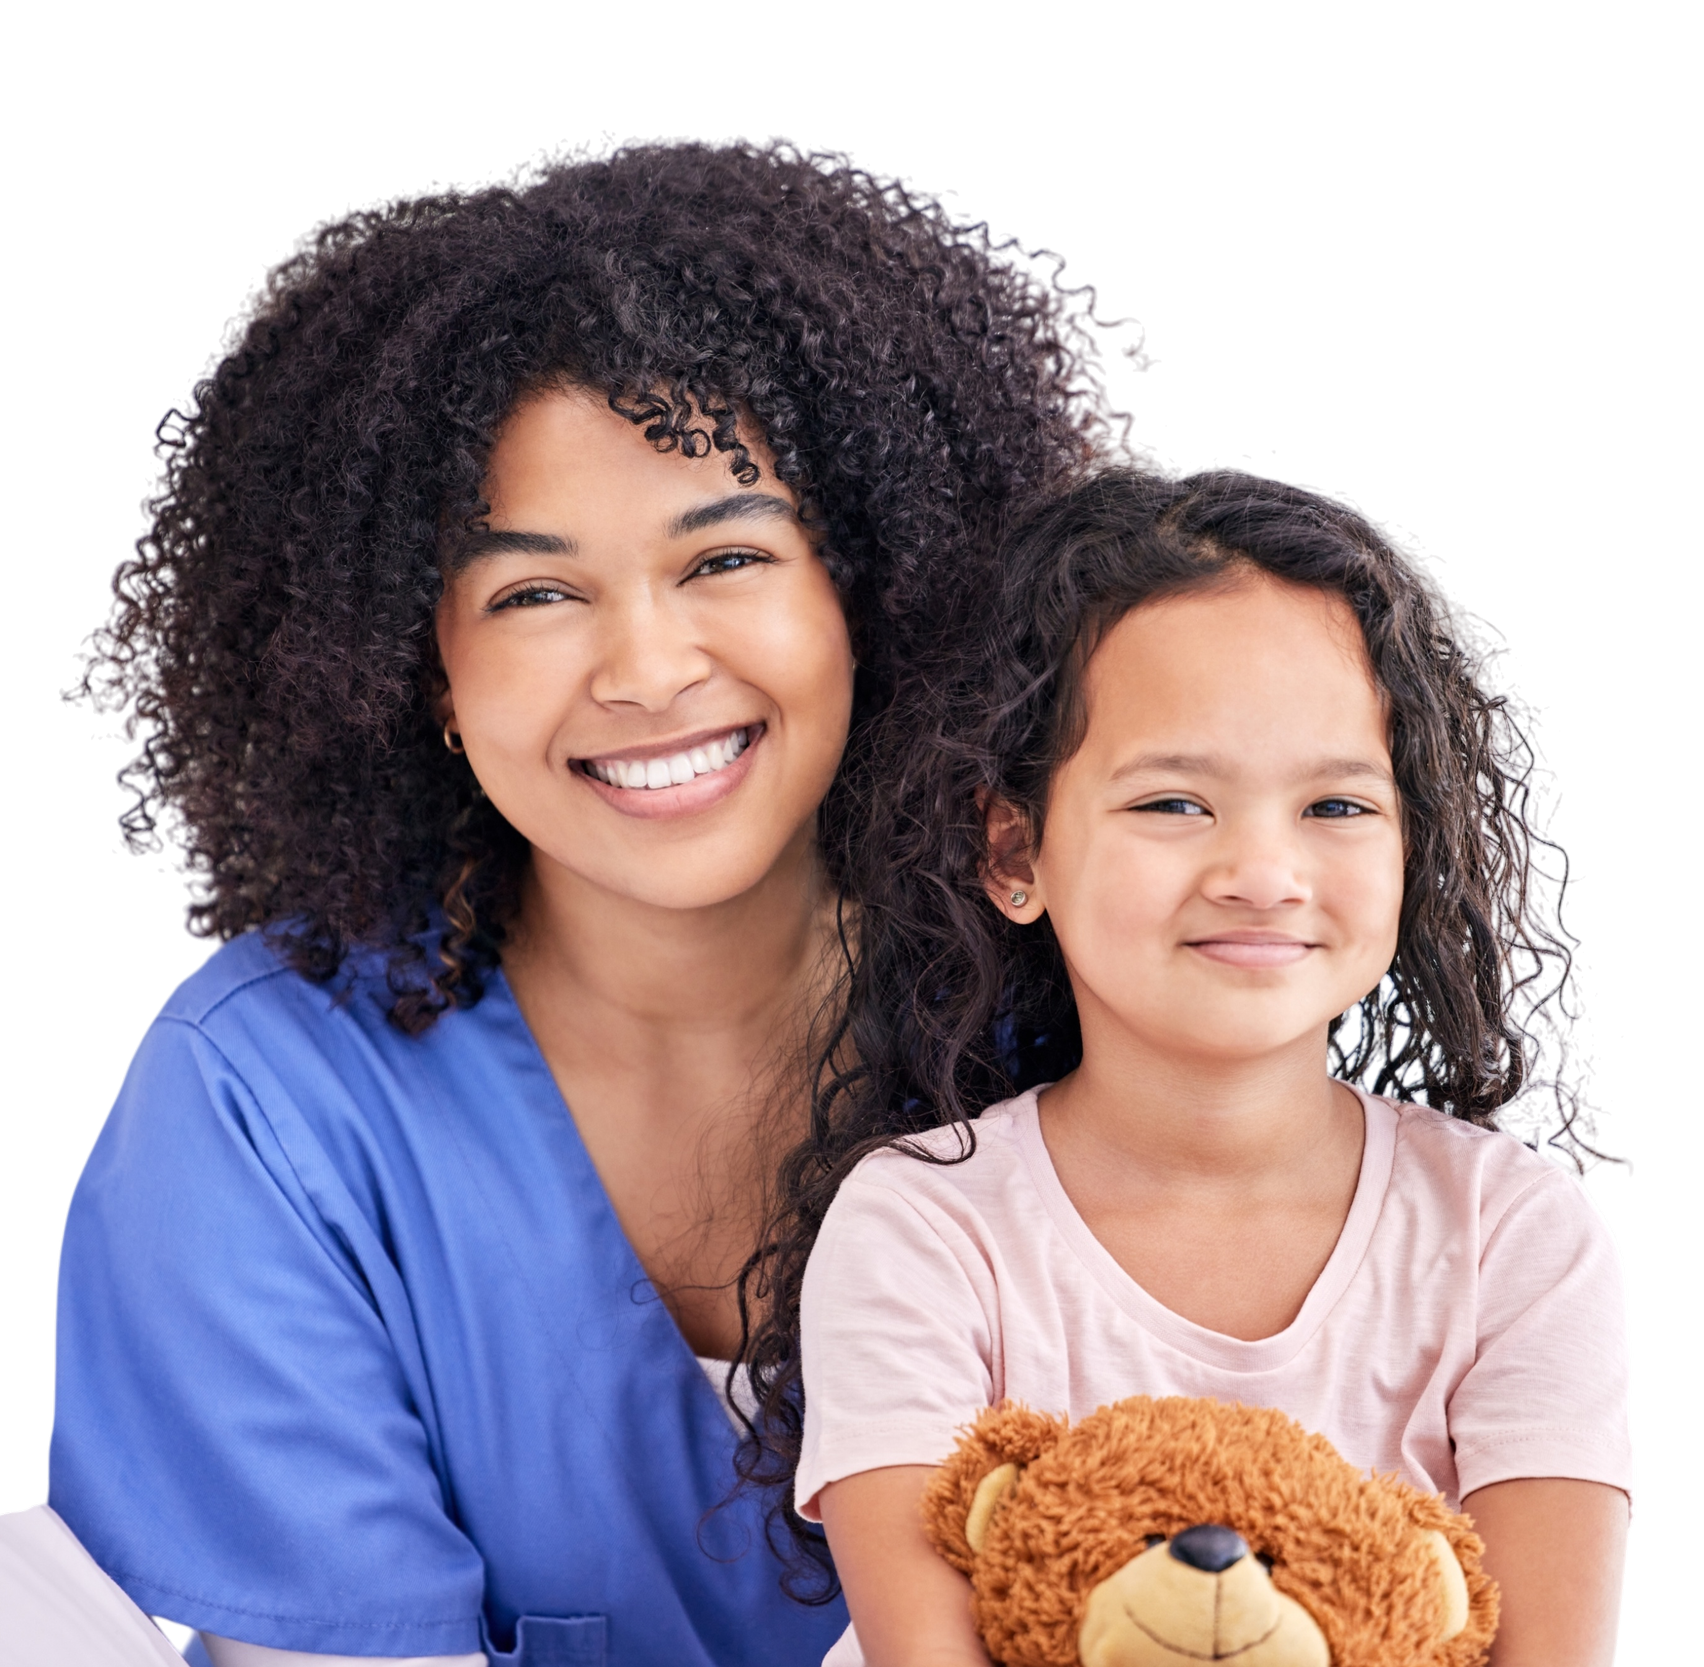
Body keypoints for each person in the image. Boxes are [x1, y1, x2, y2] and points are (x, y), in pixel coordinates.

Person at [53, 136, 1139, 1667]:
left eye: (728, 556)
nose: (644, 669)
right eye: (534, 592)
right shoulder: (262, 1104)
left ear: (877, 592)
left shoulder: (1102, 1000)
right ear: (416, 668)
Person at [748, 469, 1635, 1666]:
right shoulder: (921, 1226)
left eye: (1334, 804)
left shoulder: (1515, 1236)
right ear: (1016, 848)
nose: (1262, 870)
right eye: (1172, 800)